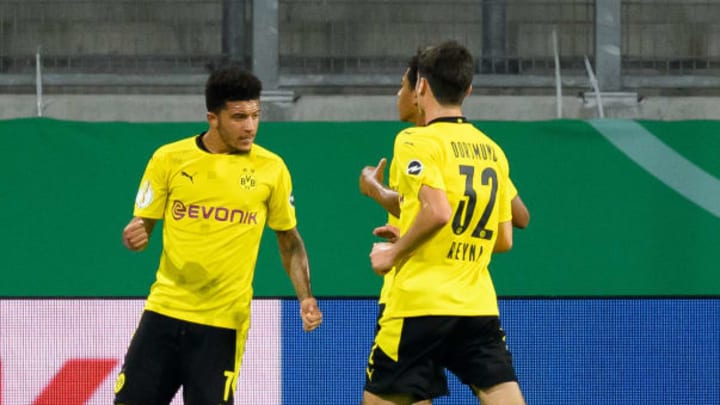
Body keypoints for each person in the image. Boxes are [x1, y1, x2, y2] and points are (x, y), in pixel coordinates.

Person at [114, 66, 323, 405]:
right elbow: (142, 225)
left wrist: (306, 297)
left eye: (256, 115)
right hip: (164, 312)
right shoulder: (168, 159)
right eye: (239, 117)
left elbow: (289, 241)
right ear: (213, 117)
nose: (251, 126)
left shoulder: (272, 169)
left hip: (222, 322)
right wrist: (134, 234)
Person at [362, 41, 526, 405]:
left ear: (420, 87)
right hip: (476, 306)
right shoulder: (491, 150)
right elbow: (503, 239)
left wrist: (394, 252)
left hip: (419, 306)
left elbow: (437, 211)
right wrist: (413, 233)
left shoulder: (415, 140)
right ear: (468, 89)